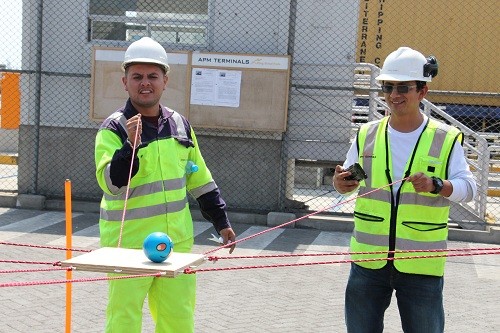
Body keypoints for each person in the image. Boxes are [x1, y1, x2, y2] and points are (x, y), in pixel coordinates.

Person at [94, 36, 236, 333]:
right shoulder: (114, 128)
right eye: (137, 77)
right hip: (128, 245)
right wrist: (127, 148)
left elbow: (199, 178)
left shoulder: (181, 125)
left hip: (176, 244)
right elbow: (110, 183)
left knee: (178, 319)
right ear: (125, 82)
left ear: (165, 81)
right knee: (124, 320)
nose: (145, 83)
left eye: (152, 76)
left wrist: (221, 221)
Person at [333, 46, 477, 333]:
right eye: (388, 87)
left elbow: (469, 188)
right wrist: (341, 184)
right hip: (368, 262)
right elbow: (346, 185)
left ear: (422, 92)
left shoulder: (445, 139)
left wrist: (438, 185)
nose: (393, 95)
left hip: (420, 265)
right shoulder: (367, 134)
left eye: (403, 88)